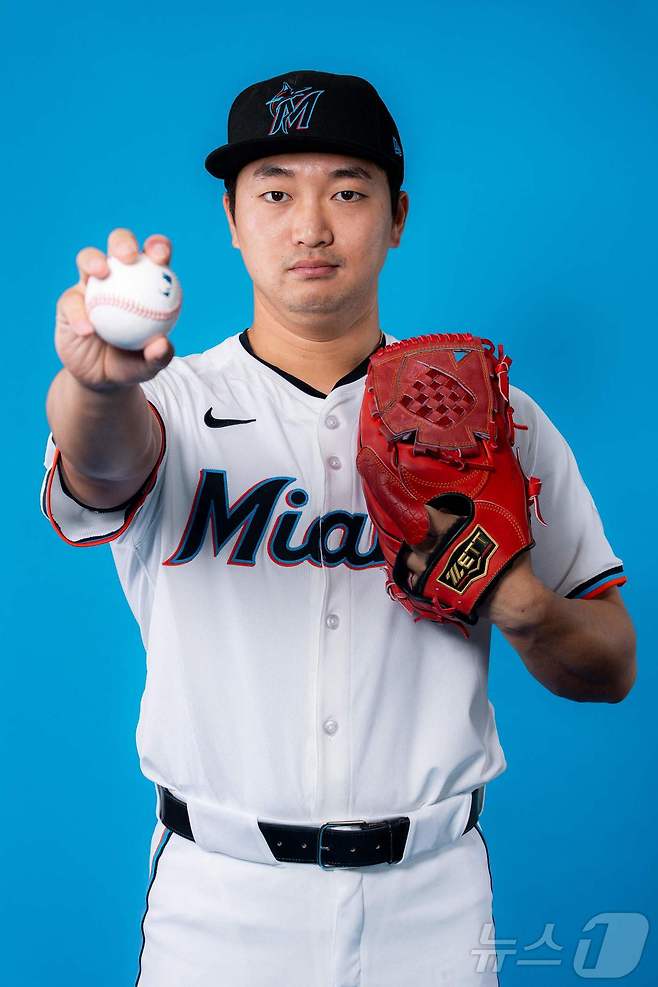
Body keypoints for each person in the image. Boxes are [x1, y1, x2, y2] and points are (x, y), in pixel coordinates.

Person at [40, 69, 636, 986]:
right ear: (233, 219)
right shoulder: (164, 402)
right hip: (221, 906)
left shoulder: (494, 416)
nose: (310, 224)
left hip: (432, 903)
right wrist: (93, 382)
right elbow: (105, 461)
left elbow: (613, 662)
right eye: (275, 191)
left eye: (347, 192)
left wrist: (526, 608)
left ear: (397, 217)